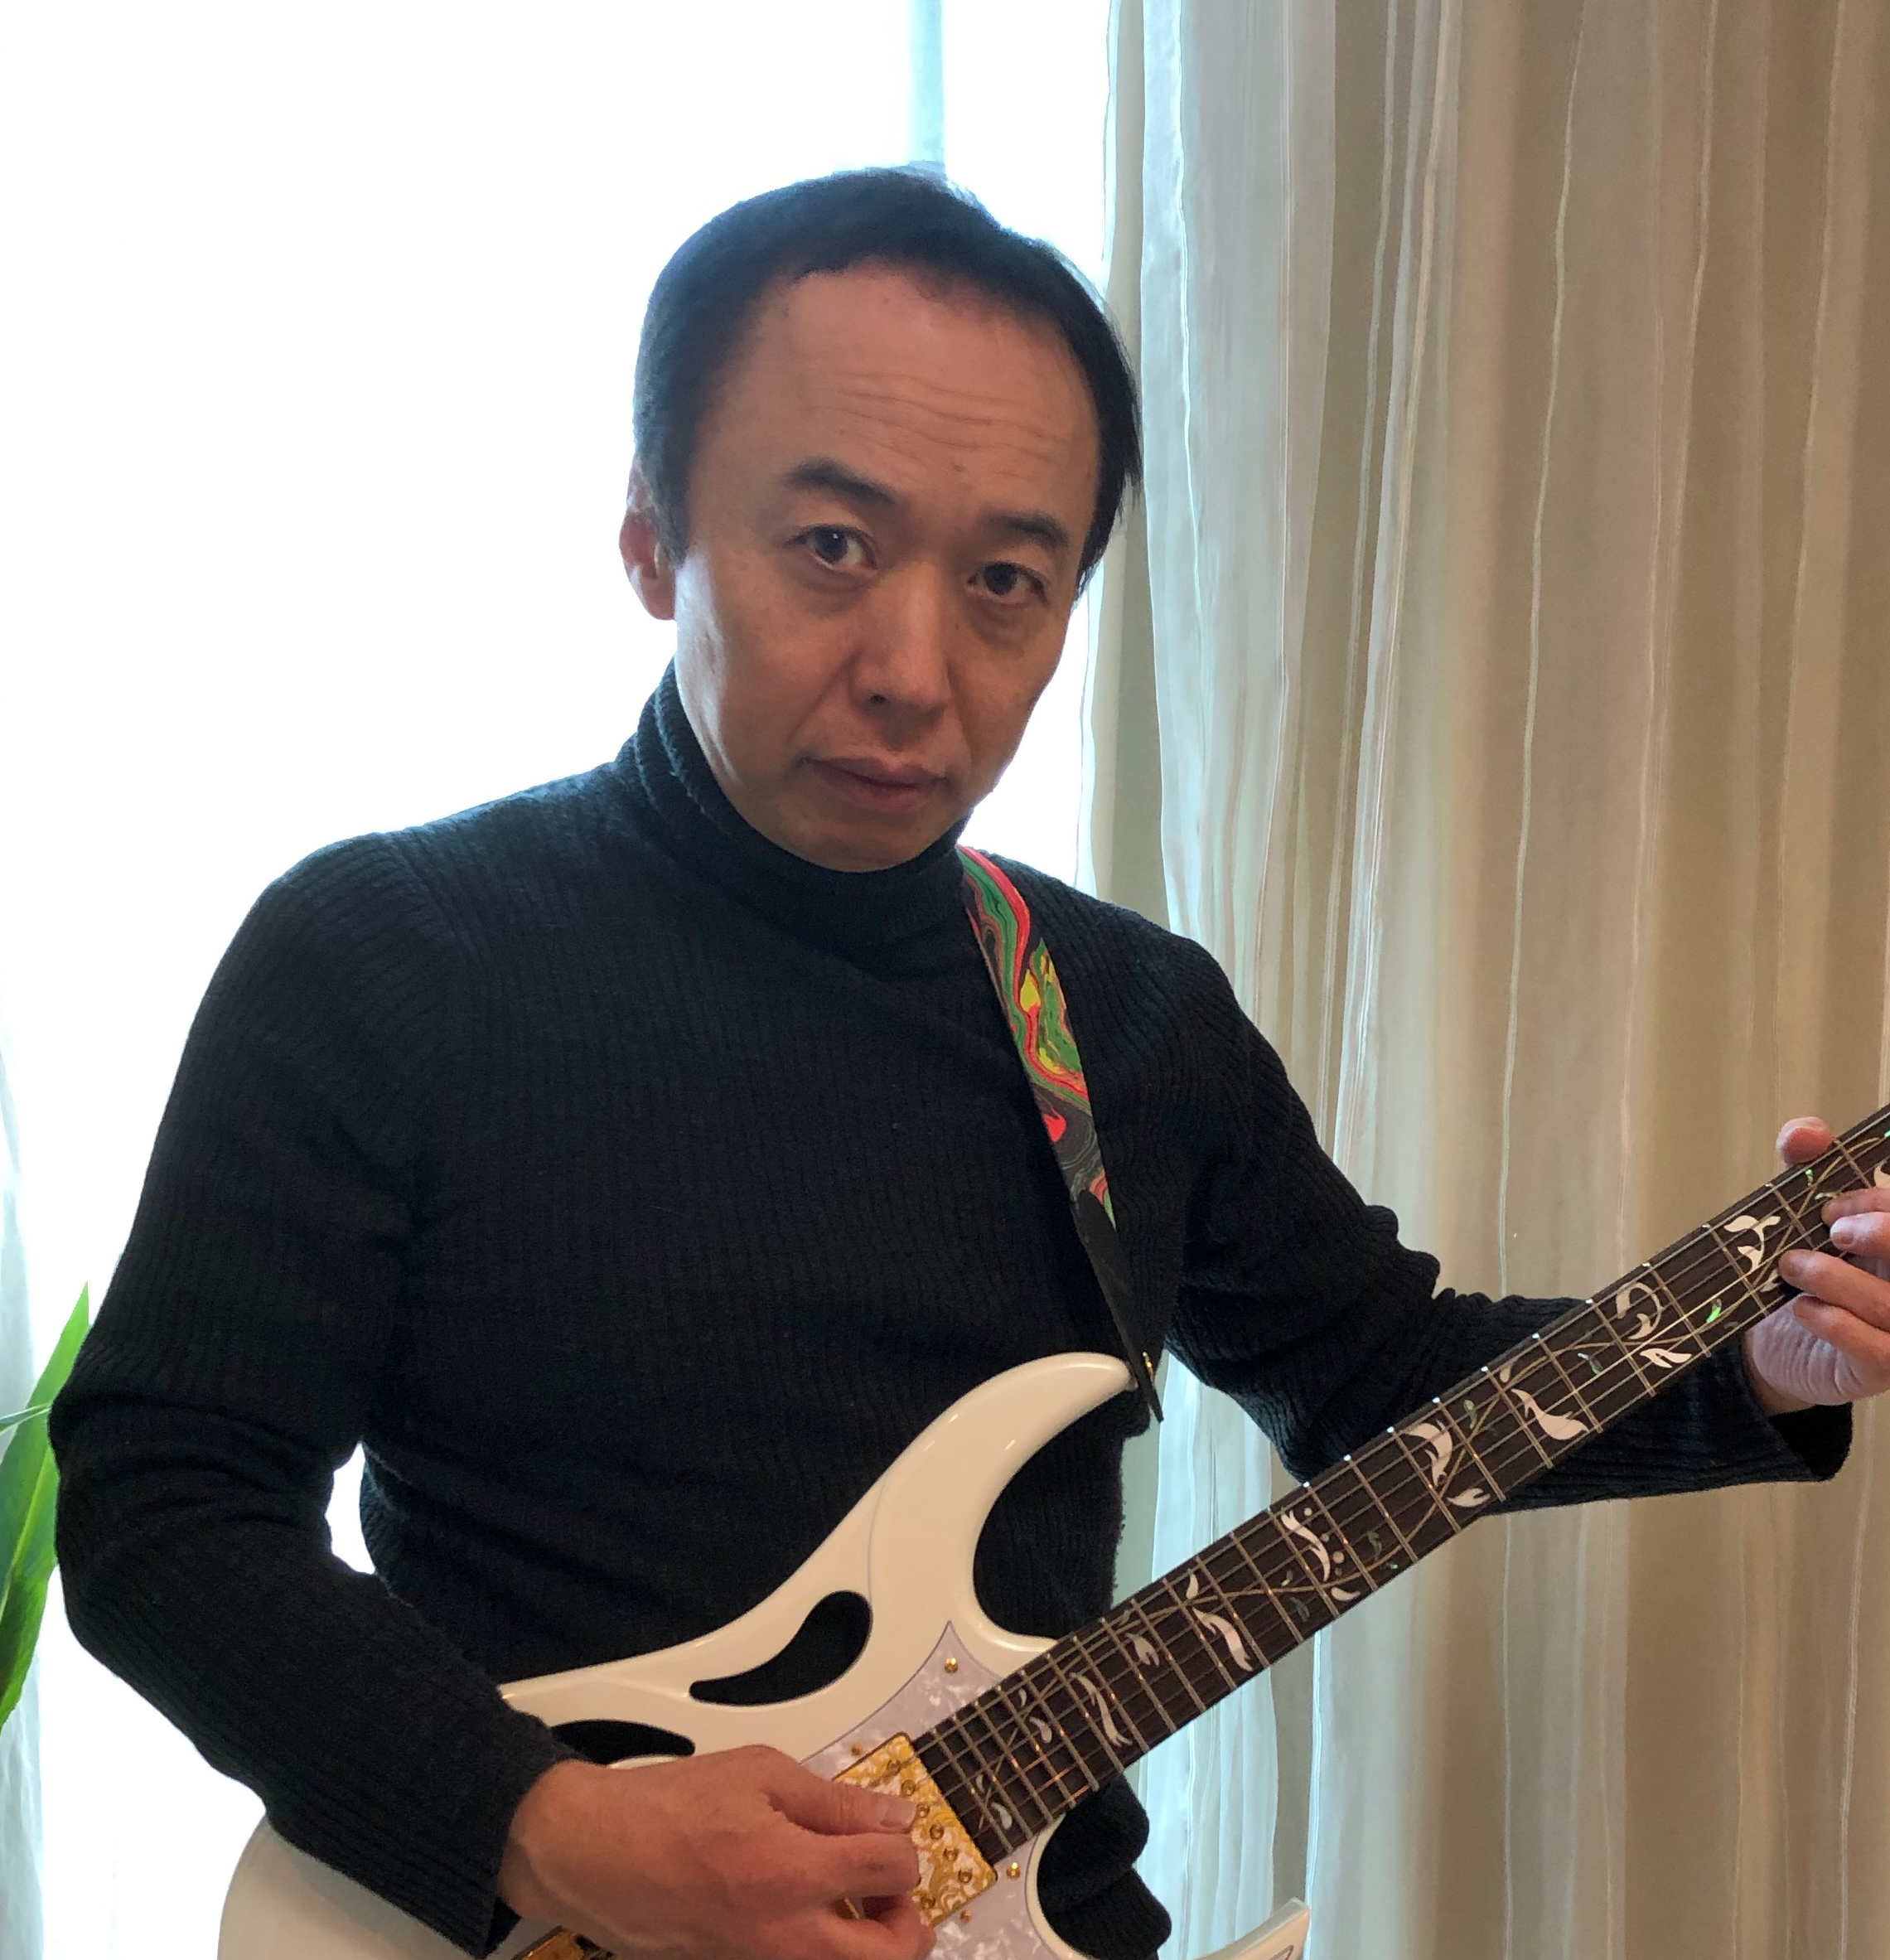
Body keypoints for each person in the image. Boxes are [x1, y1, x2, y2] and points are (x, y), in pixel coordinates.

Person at [51, 170, 1890, 1960]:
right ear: (653, 538)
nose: (914, 668)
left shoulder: (1125, 1014)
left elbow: (1378, 1381)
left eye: (1008, 578)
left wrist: (1760, 1352)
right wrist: (561, 1829)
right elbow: (165, 1503)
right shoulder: (385, 958)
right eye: (831, 547)